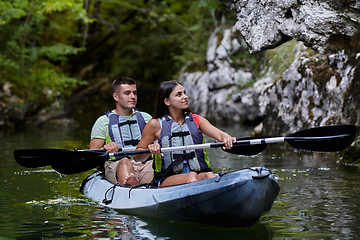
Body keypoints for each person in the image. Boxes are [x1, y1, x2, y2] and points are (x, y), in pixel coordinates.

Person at [133, 80, 236, 187]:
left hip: (197, 174)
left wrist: (227, 138)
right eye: (179, 94)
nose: (185, 97)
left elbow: (221, 135)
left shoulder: (196, 120)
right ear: (167, 101)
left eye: (184, 93)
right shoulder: (155, 124)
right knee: (191, 177)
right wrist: (150, 150)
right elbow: (137, 157)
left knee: (209, 176)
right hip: (167, 179)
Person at [89, 77, 153, 186]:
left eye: (134, 93)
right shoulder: (103, 121)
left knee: (157, 164)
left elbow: (158, 142)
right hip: (117, 165)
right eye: (127, 93)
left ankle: (142, 186)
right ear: (116, 96)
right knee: (125, 162)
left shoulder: (146, 118)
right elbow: (92, 156)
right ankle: (130, 186)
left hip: (144, 164)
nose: (132, 97)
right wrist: (105, 149)